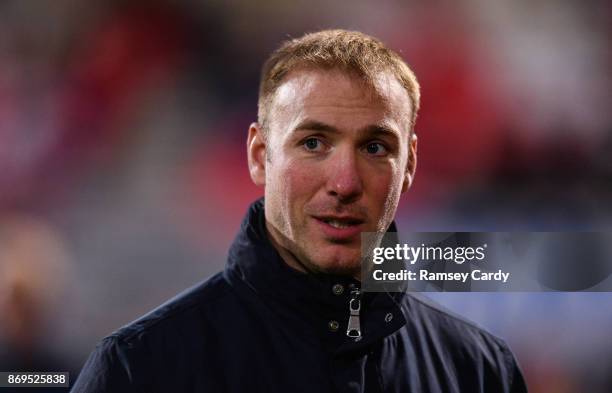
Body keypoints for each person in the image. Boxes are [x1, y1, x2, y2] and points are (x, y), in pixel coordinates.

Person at [71, 29, 527, 393]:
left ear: (409, 165)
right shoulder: (139, 369)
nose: (345, 182)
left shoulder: (480, 371)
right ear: (258, 155)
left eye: (373, 147)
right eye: (313, 143)